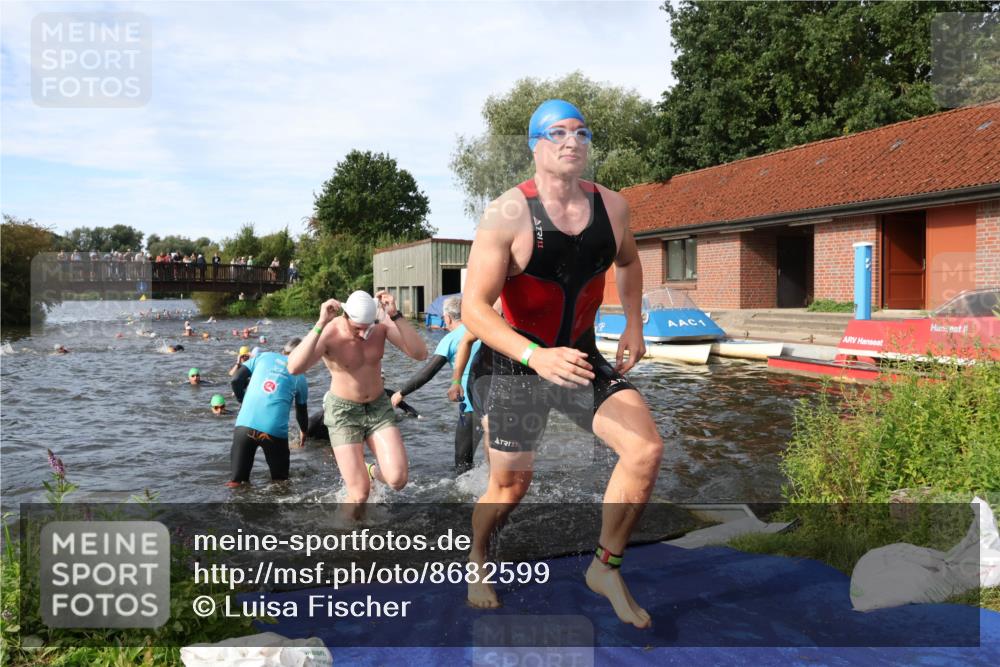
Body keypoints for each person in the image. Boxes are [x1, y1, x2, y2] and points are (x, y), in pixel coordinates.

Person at [461, 99, 662, 628]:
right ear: (534, 144)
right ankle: (478, 556)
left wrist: (636, 324)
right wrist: (534, 355)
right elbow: (473, 310)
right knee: (510, 487)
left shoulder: (613, 207)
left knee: (644, 450)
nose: (571, 141)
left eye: (581, 133)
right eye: (557, 133)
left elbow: (630, 261)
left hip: (578, 357)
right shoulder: (506, 213)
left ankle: (605, 566)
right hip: (515, 366)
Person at [286, 290, 427, 519]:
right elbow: (294, 368)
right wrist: (320, 322)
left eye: (367, 326)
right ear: (345, 315)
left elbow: (420, 354)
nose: (363, 333)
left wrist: (395, 315)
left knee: (398, 480)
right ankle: (348, 538)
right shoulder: (330, 333)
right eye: (357, 327)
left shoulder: (380, 326)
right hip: (344, 412)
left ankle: (370, 471)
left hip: (378, 407)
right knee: (360, 494)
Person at [391, 296, 482, 474]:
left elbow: (428, 372)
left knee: (462, 467)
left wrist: (402, 393)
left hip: (471, 407)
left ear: (447, 318)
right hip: (495, 403)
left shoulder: (451, 339)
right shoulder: (482, 331)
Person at [227, 337, 309, 487]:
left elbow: (235, 379)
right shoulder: (300, 377)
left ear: (283, 350)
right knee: (281, 484)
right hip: (274, 432)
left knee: (236, 482)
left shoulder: (263, 357)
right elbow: (301, 411)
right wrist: (304, 431)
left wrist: (242, 400)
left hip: (244, 425)